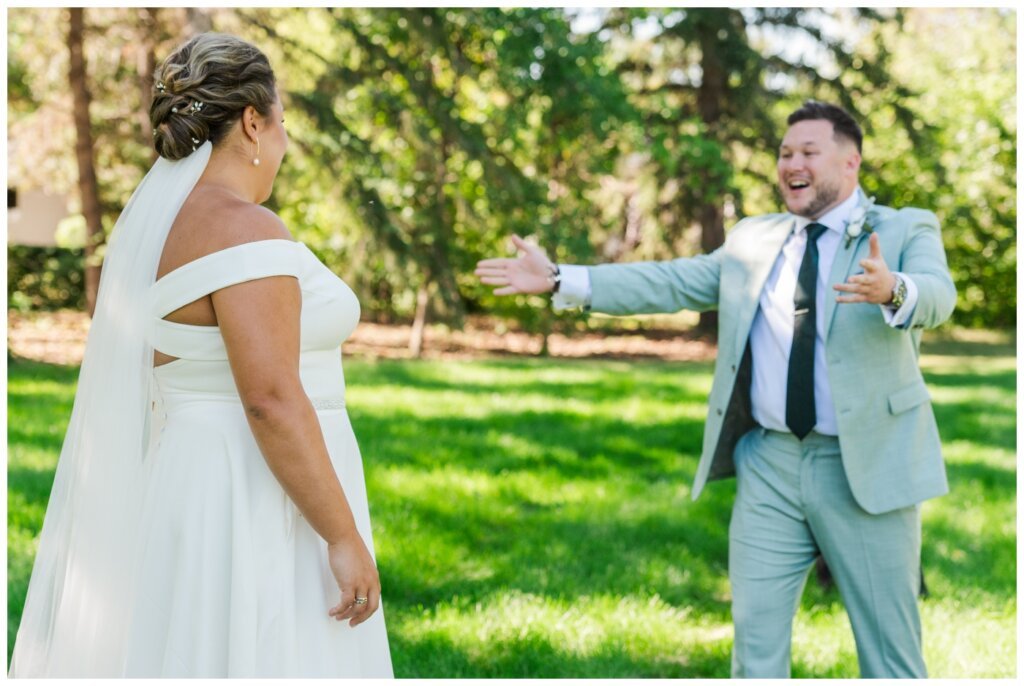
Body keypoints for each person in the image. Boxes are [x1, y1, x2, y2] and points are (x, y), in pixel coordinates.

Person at [475, 100, 955, 678]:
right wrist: (559, 278)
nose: (791, 163)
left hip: (867, 466)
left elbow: (937, 294)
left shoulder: (904, 228)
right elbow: (671, 281)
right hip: (770, 466)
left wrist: (894, 289)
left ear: (851, 162)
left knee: (891, 657)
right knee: (753, 650)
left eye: (808, 152)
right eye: (784, 153)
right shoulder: (754, 238)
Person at [10, 33, 393, 677]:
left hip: (193, 480)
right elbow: (270, 399)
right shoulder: (244, 229)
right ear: (252, 121)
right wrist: (342, 534)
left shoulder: (158, 230)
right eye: (281, 124)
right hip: (258, 490)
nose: (284, 145)